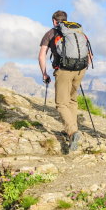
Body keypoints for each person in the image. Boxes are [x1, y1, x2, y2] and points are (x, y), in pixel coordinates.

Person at [38, 10, 86, 154]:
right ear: (66, 19)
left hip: (63, 69)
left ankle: (72, 132)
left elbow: (42, 56)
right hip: (80, 69)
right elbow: (89, 53)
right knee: (72, 99)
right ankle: (72, 129)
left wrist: (45, 73)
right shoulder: (78, 31)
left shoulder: (51, 33)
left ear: (54, 21)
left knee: (60, 103)